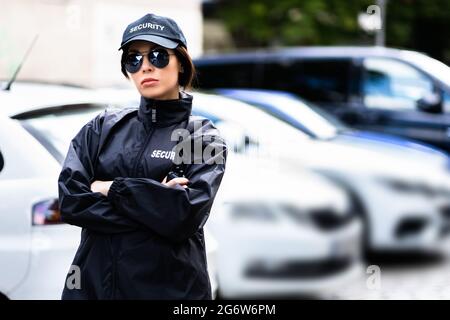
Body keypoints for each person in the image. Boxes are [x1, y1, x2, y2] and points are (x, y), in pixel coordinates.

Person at [58, 13, 227, 299]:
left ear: (181, 63)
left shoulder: (202, 137)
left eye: (158, 56)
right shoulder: (102, 128)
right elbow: (72, 202)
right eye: (133, 59)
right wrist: (154, 200)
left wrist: (110, 188)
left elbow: (182, 217)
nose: (145, 67)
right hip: (93, 290)